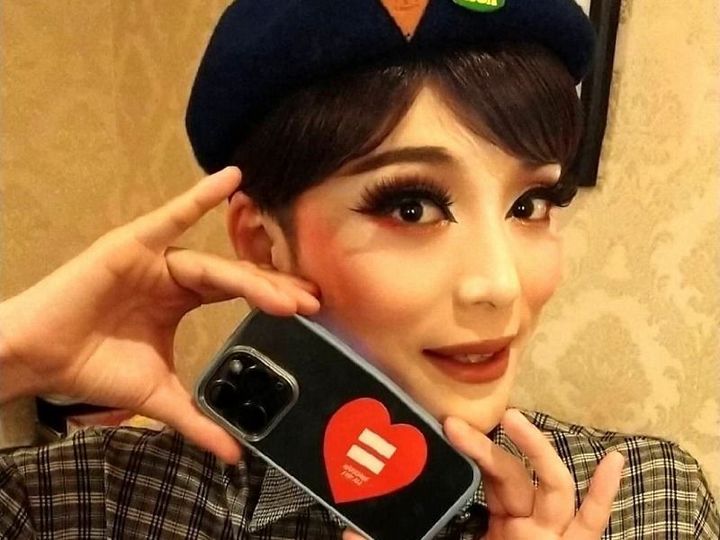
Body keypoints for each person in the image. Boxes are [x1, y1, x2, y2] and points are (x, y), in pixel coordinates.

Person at [0, 1, 718, 538]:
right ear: (264, 245)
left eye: (529, 204)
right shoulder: (87, 504)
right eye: (412, 207)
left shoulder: (641, 503)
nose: (501, 285)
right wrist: (12, 354)